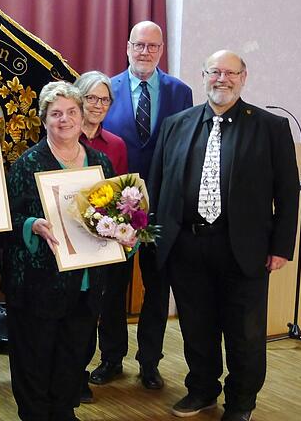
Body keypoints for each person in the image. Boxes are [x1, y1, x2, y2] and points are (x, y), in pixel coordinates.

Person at [148, 50, 299, 421]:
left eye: (231, 72)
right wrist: (154, 236)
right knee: (196, 327)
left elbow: (288, 191)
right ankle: (201, 390)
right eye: (215, 71)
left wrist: (281, 247)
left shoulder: (270, 127)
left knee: (243, 333)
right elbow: (158, 183)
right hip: (187, 246)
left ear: (244, 77)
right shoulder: (176, 124)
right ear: (203, 76)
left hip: (244, 249)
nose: (222, 79)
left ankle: (241, 402)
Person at [3, 80, 115, 420]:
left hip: (85, 281)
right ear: (44, 120)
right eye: (55, 114)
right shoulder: (28, 163)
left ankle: (63, 410)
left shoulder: (101, 163)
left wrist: (122, 229)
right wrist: (32, 225)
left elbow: (110, 215)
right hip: (39, 284)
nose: (64, 120)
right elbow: (9, 216)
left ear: (82, 118)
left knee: (74, 353)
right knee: (35, 357)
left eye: (70, 112)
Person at [90, 20, 193, 390]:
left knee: (157, 287)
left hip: (163, 209)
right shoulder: (106, 90)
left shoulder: (181, 92)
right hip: (114, 213)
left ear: (161, 50)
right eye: (139, 45)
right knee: (113, 289)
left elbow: (185, 149)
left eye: (152, 46)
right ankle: (111, 358)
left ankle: (150, 362)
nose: (145, 51)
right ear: (128, 47)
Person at [71, 71, 128, 405]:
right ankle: (69, 373)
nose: (97, 105)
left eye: (104, 99)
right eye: (91, 98)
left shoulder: (116, 145)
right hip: (66, 239)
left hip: (100, 240)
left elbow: (122, 195)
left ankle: (100, 365)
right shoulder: (64, 134)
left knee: (99, 306)